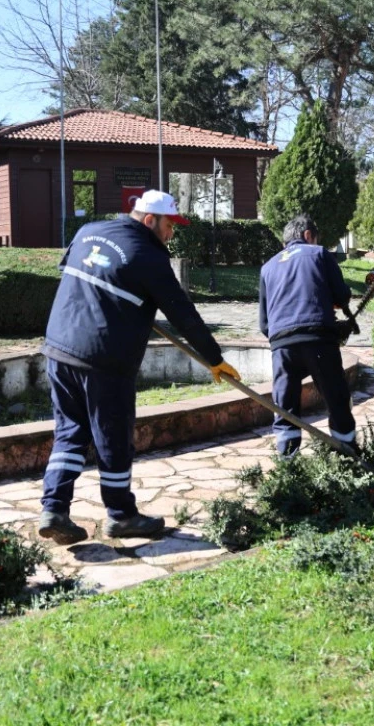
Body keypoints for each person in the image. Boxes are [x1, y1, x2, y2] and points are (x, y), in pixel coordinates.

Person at [38, 190, 241, 544]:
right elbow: (184, 315)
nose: (171, 234)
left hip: (58, 349)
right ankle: (121, 516)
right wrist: (214, 358)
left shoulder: (88, 231)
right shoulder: (149, 255)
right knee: (113, 438)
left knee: (70, 432)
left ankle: (54, 509)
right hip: (104, 359)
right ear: (149, 220)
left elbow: (76, 273)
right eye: (168, 225)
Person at [258, 213, 357, 457]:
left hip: (281, 345)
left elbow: (264, 323)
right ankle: (347, 457)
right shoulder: (319, 253)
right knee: (336, 399)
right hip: (318, 339)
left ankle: (287, 462)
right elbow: (342, 296)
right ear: (308, 235)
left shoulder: (267, 267)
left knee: (285, 409)